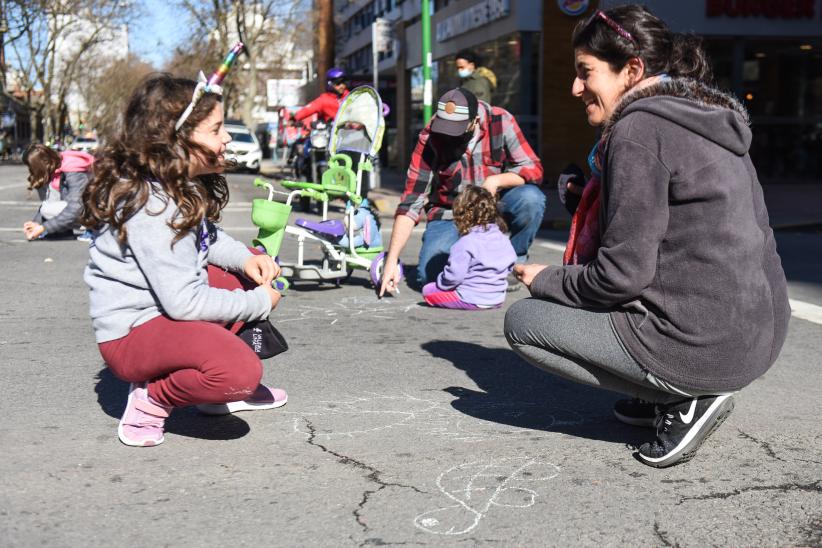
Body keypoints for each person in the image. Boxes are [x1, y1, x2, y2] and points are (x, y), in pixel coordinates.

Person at [503, 5, 790, 468]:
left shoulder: (638, 129)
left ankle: (683, 396)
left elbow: (619, 277)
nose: (575, 88)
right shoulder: (704, 115)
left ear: (632, 69)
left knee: (525, 322)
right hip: (760, 335)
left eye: (586, 72)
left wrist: (544, 277)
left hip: (707, 348)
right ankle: (669, 387)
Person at [81, 73, 287, 447]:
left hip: (160, 316)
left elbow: (207, 239)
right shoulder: (154, 206)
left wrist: (245, 259)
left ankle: (210, 394)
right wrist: (258, 304)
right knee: (239, 370)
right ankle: (152, 398)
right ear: (174, 140)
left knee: (244, 276)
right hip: (132, 334)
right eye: (216, 129)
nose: (226, 137)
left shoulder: (174, 187)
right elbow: (185, 302)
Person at [379, 87, 544, 296]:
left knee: (531, 199)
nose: (448, 134)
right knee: (428, 277)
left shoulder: (501, 121)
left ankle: (513, 263)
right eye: (445, 126)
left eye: (456, 128)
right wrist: (391, 261)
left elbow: (533, 169)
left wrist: (495, 181)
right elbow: (411, 201)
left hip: (491, 209)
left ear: (474, 121)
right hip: (450, 213)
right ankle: (480, 263)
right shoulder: (430, 138)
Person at [422, 186, 515, 310]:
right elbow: (511, 264)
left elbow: (453, 277)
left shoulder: (465, 242)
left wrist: (440, 282)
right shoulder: (503, 238)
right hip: (497, 298)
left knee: (427, 290)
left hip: (470, 298)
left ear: (463, 216)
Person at [22, 143, 94, 241]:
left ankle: (93, 229)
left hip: (96, 211)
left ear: (43, 163)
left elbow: (76, 208)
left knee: (48, 209)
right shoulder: (54, 169)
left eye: (32, 167)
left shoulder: (74, 170)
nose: (31, 170)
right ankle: (61, 231)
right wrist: (36, 224)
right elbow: (48, 203)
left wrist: (43, 228)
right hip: (81, 209)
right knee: (45, 193)